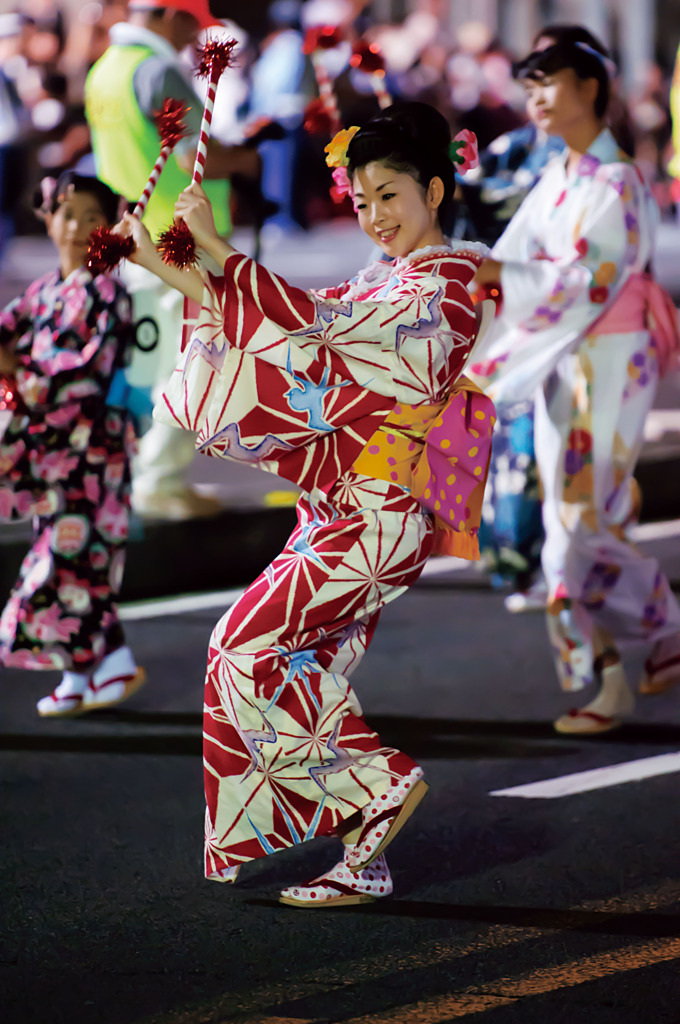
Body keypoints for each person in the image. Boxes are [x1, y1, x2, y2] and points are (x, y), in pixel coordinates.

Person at [116, 102, 493, 905]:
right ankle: (365, 858)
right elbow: (278, 327)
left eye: (390, 195)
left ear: (434, 189)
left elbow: (319, 333)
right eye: (361, 202)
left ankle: (377, 785)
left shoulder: (451, 286)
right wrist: (157, 261)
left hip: (376, 514)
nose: (375, 216)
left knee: (241, 649)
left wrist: (218, 246)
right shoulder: (390, 279)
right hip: (344, 509)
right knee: (299, 665)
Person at [470, 38, 680, 734]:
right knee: (590, 517)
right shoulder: (562, 172)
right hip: (570, 352)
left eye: (547, 82)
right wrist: (468, 269)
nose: (535, 98)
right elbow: (512, 256)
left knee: (575, 527)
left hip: (612, 357)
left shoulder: (614, 181)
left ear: (590, 88)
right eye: (528, 85)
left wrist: (499, 282)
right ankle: (664, 632)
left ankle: (607, 677)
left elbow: (590, 279)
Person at [85, 0, 260, 521]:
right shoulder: (157, 69)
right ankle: (158, 483)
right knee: (191, 362)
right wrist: (245, 156)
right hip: (177, 242)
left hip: (130, 237)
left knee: (149, 363)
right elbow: (190, 155)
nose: (192, 33)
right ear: (168, 15)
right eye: (190, 21)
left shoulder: (105, 70)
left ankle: (148, 479)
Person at [0, 172, 145, 717]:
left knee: (72, 557)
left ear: (108, 228)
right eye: (67, 214)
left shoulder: (107, 291)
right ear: (47, 218)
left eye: (93, 217)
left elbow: (84, 374)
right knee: (77, 559)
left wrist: (18, 368)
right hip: (52, 453)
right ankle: (93, 667)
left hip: (91, 452)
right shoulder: (43, 291)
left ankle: (101, 663)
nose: (79, 227)